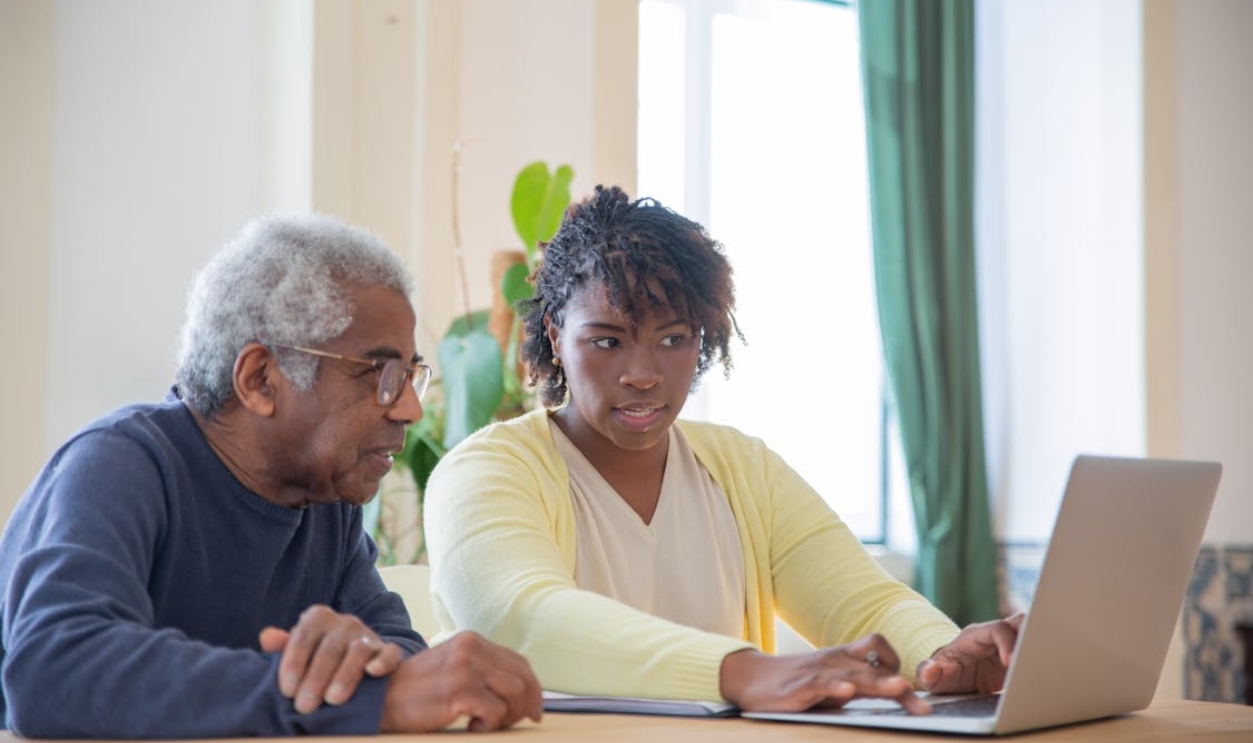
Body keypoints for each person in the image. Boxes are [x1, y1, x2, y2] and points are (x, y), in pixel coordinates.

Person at [424, 186, 1023, 713]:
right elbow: (521, 619)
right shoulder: (485, 472)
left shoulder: (744, 469)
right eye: (607, 341)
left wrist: (942, 657)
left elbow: (861, 601)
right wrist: (742, 672)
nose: (643, 374)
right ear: (555, 335)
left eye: (674, 339)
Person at [0, 215, 542, 737]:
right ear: (260, 379)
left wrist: (366, 668)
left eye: (409, 376)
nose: (409, 410)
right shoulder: (119, 465)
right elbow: (53, 669)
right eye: (380, 374)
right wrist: (353, 699)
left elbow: (396, 647)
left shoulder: (325, 501)